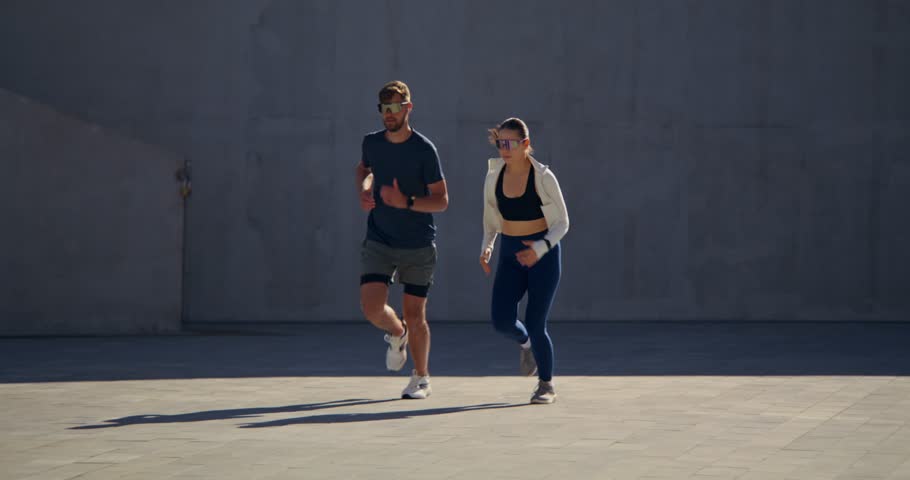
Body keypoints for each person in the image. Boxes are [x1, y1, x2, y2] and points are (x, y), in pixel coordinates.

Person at [355, 80, 448, 399]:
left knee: (415, 314)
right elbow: (364, 169)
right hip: (379, 238)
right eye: (384, 109)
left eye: (395, 107)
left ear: (408, 107)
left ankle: (421, 378)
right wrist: (365, 190)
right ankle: (397, 334)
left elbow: (441, 200)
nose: (388, 114)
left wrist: (405, 201)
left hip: (418, 244)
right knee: (371, 308)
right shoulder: (371, 142)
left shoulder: (424, 150)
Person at [479, 117, 569, 404]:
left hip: (542, 254)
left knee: (535, 321)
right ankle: (526, 344)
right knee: (501, 320)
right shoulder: (494, 174)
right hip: (510, 252)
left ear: (525, 144)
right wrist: (487, 246)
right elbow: (491, 219)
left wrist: (541, 247)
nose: (504, 149)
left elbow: (563, 223)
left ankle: (546, 384)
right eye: (500, 143)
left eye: (510, 143)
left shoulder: (543, 177)